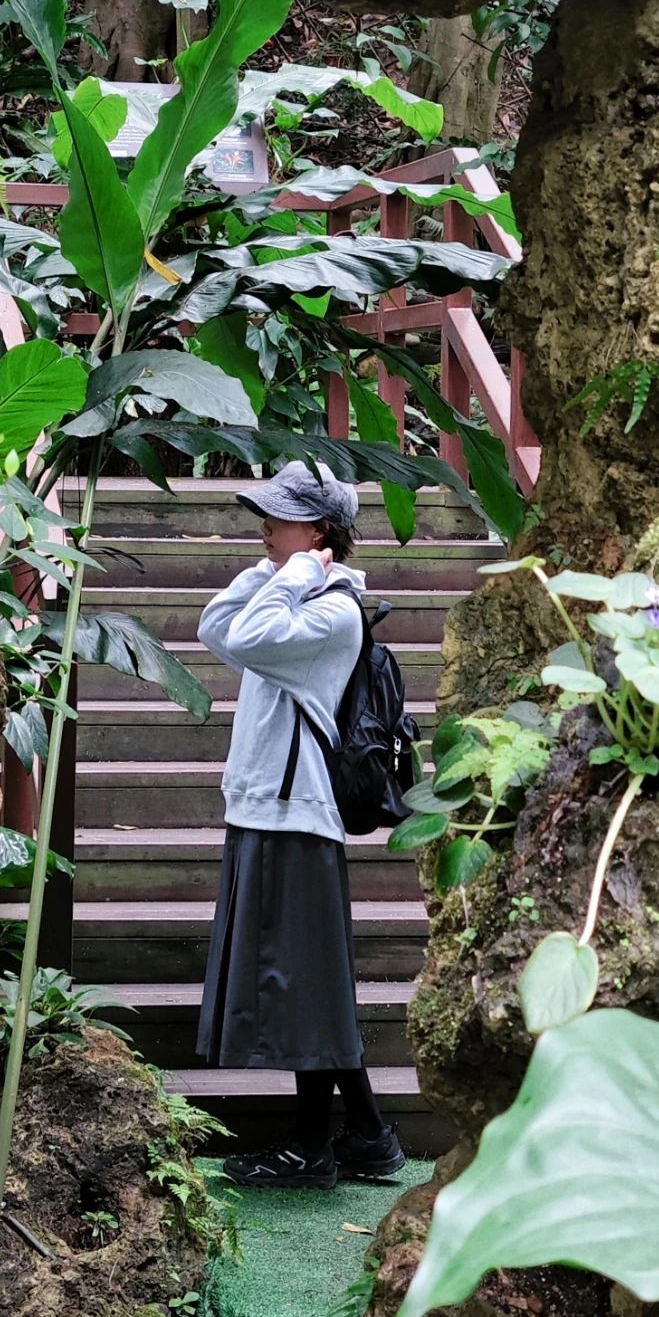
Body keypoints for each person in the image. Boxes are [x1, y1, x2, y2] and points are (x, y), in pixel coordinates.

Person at [195, 460, 406, 1189]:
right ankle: (366, 1136)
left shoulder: (331, 613)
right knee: (306, 984)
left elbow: (249, 639)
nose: (264, 523)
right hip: (267, 808)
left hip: (295, 814)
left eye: (279, 517)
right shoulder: (295, 599)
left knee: (306, 986)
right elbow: (216, 627)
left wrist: (292, 577)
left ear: (318, 532)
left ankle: (321, 1143)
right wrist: (272, 568)